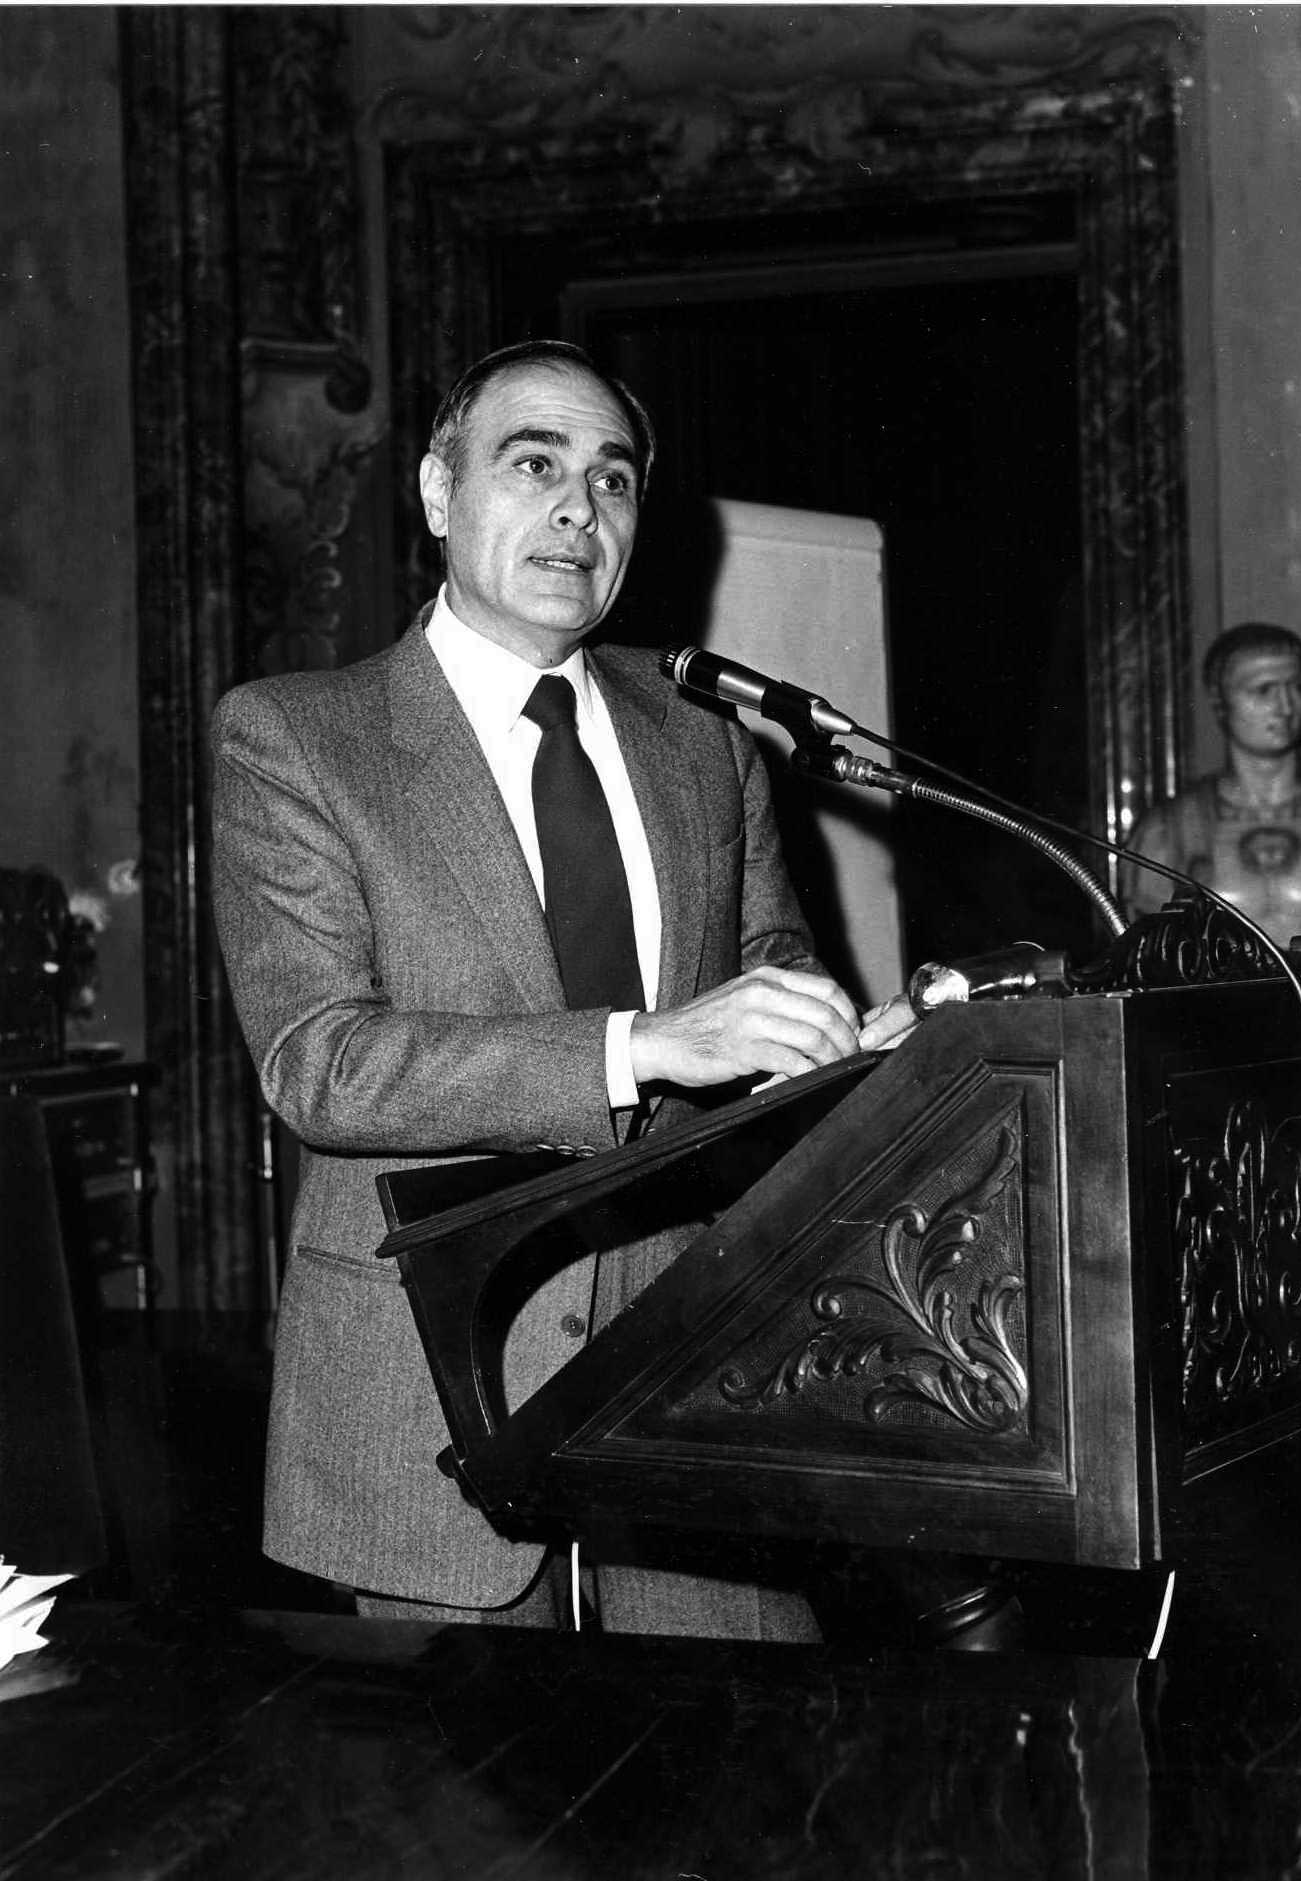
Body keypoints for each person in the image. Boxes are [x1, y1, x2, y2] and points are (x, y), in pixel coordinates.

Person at [212, 338, 909, 1639]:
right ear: (439, 493)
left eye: (613, 479)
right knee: (461, 1775)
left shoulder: (704, 738)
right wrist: (637, 1047)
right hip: (432, 1392)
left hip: (693, 1375)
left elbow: (769, 962)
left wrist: (841, 1033)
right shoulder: (297, 737)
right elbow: (320, 1062)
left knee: (748, 1756)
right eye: (533, 466)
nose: (580, 509)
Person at [1122, 621, 1301, 950]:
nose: (1286, 707)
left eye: (1297, 687)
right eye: (1263, 690)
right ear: (1220, 701)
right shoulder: (1166, 832)